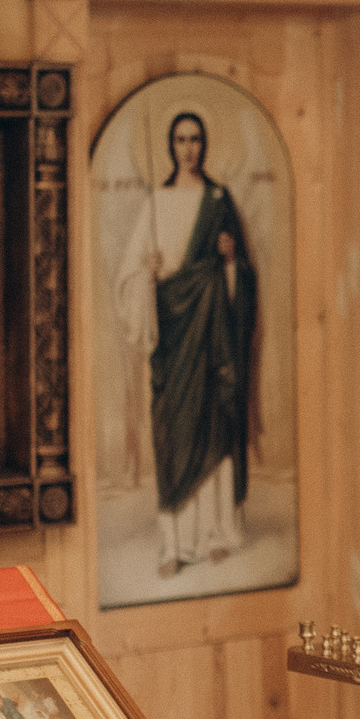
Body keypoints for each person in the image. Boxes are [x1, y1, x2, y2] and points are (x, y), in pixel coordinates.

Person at [114, 111, 258, 577]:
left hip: (212, 337)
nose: (188, 148)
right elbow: (129, 276)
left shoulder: (219, 200)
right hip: (173, 340)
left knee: (213, 422)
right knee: (172, 431)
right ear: (171, 145)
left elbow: (245, 279)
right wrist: (149, 273)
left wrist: (231, 261)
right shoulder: (156, 202)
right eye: (180, 139)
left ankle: (216, 534)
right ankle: (174, 544)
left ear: (205, 144)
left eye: (195, 139)